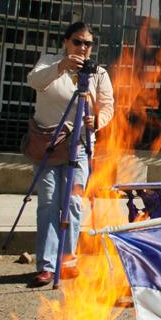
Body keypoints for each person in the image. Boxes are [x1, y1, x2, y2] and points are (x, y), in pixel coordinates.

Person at [27, 22, 114, 287]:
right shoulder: (49, 62)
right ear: (66, 42)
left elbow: (108, 106)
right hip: (49, 143)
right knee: (49, 202)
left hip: (79, 145)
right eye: (77, 42)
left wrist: (96, 121)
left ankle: (68, 260)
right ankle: (46, 265)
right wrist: (61, 67)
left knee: (74, 202)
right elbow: (33, 81)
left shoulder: (98, 73)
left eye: (88, 43)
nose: (83, 48)